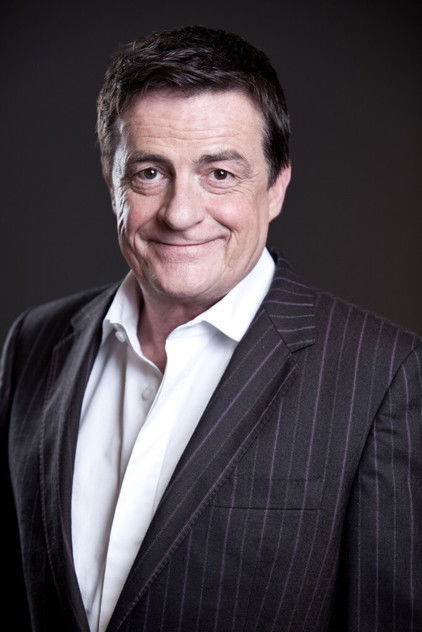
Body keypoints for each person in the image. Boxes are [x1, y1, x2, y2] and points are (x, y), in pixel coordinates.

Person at [1, 25, 420, 632]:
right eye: (150, 172)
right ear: (111, 179)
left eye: (219, 174)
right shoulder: (33, 343)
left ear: (275, 186)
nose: (180, 213)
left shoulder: (382, 376)